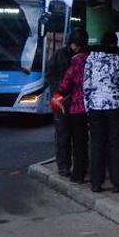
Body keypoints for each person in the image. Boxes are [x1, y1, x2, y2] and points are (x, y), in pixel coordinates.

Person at [84, 31, 119, 193]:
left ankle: (96, 183)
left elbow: (86, 85)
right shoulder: (118, 59)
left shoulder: (90, 59)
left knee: (97, 144)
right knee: (116, 144)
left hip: (96, 107)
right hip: (116, 106)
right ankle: (117, 183)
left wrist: (88, 106)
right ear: (114, 43)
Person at [56, 29, 90, 183]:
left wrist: (60, 93)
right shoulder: (92, 59)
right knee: (89, 140)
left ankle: (78, 174)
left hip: (77, 106)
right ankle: (91, 170)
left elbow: (64, 85)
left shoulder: (75, 62)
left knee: (77, 141)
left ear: (76, 45)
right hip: (93, 105)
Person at [46, 39, 75, 176]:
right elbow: (49, 75)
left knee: (73, 134)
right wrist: (60, 90)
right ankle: (63, 166)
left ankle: (72, 165)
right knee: (62, 133)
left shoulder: (82, 54)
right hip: (60, 98)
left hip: (74, 99)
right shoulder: (59, 54)